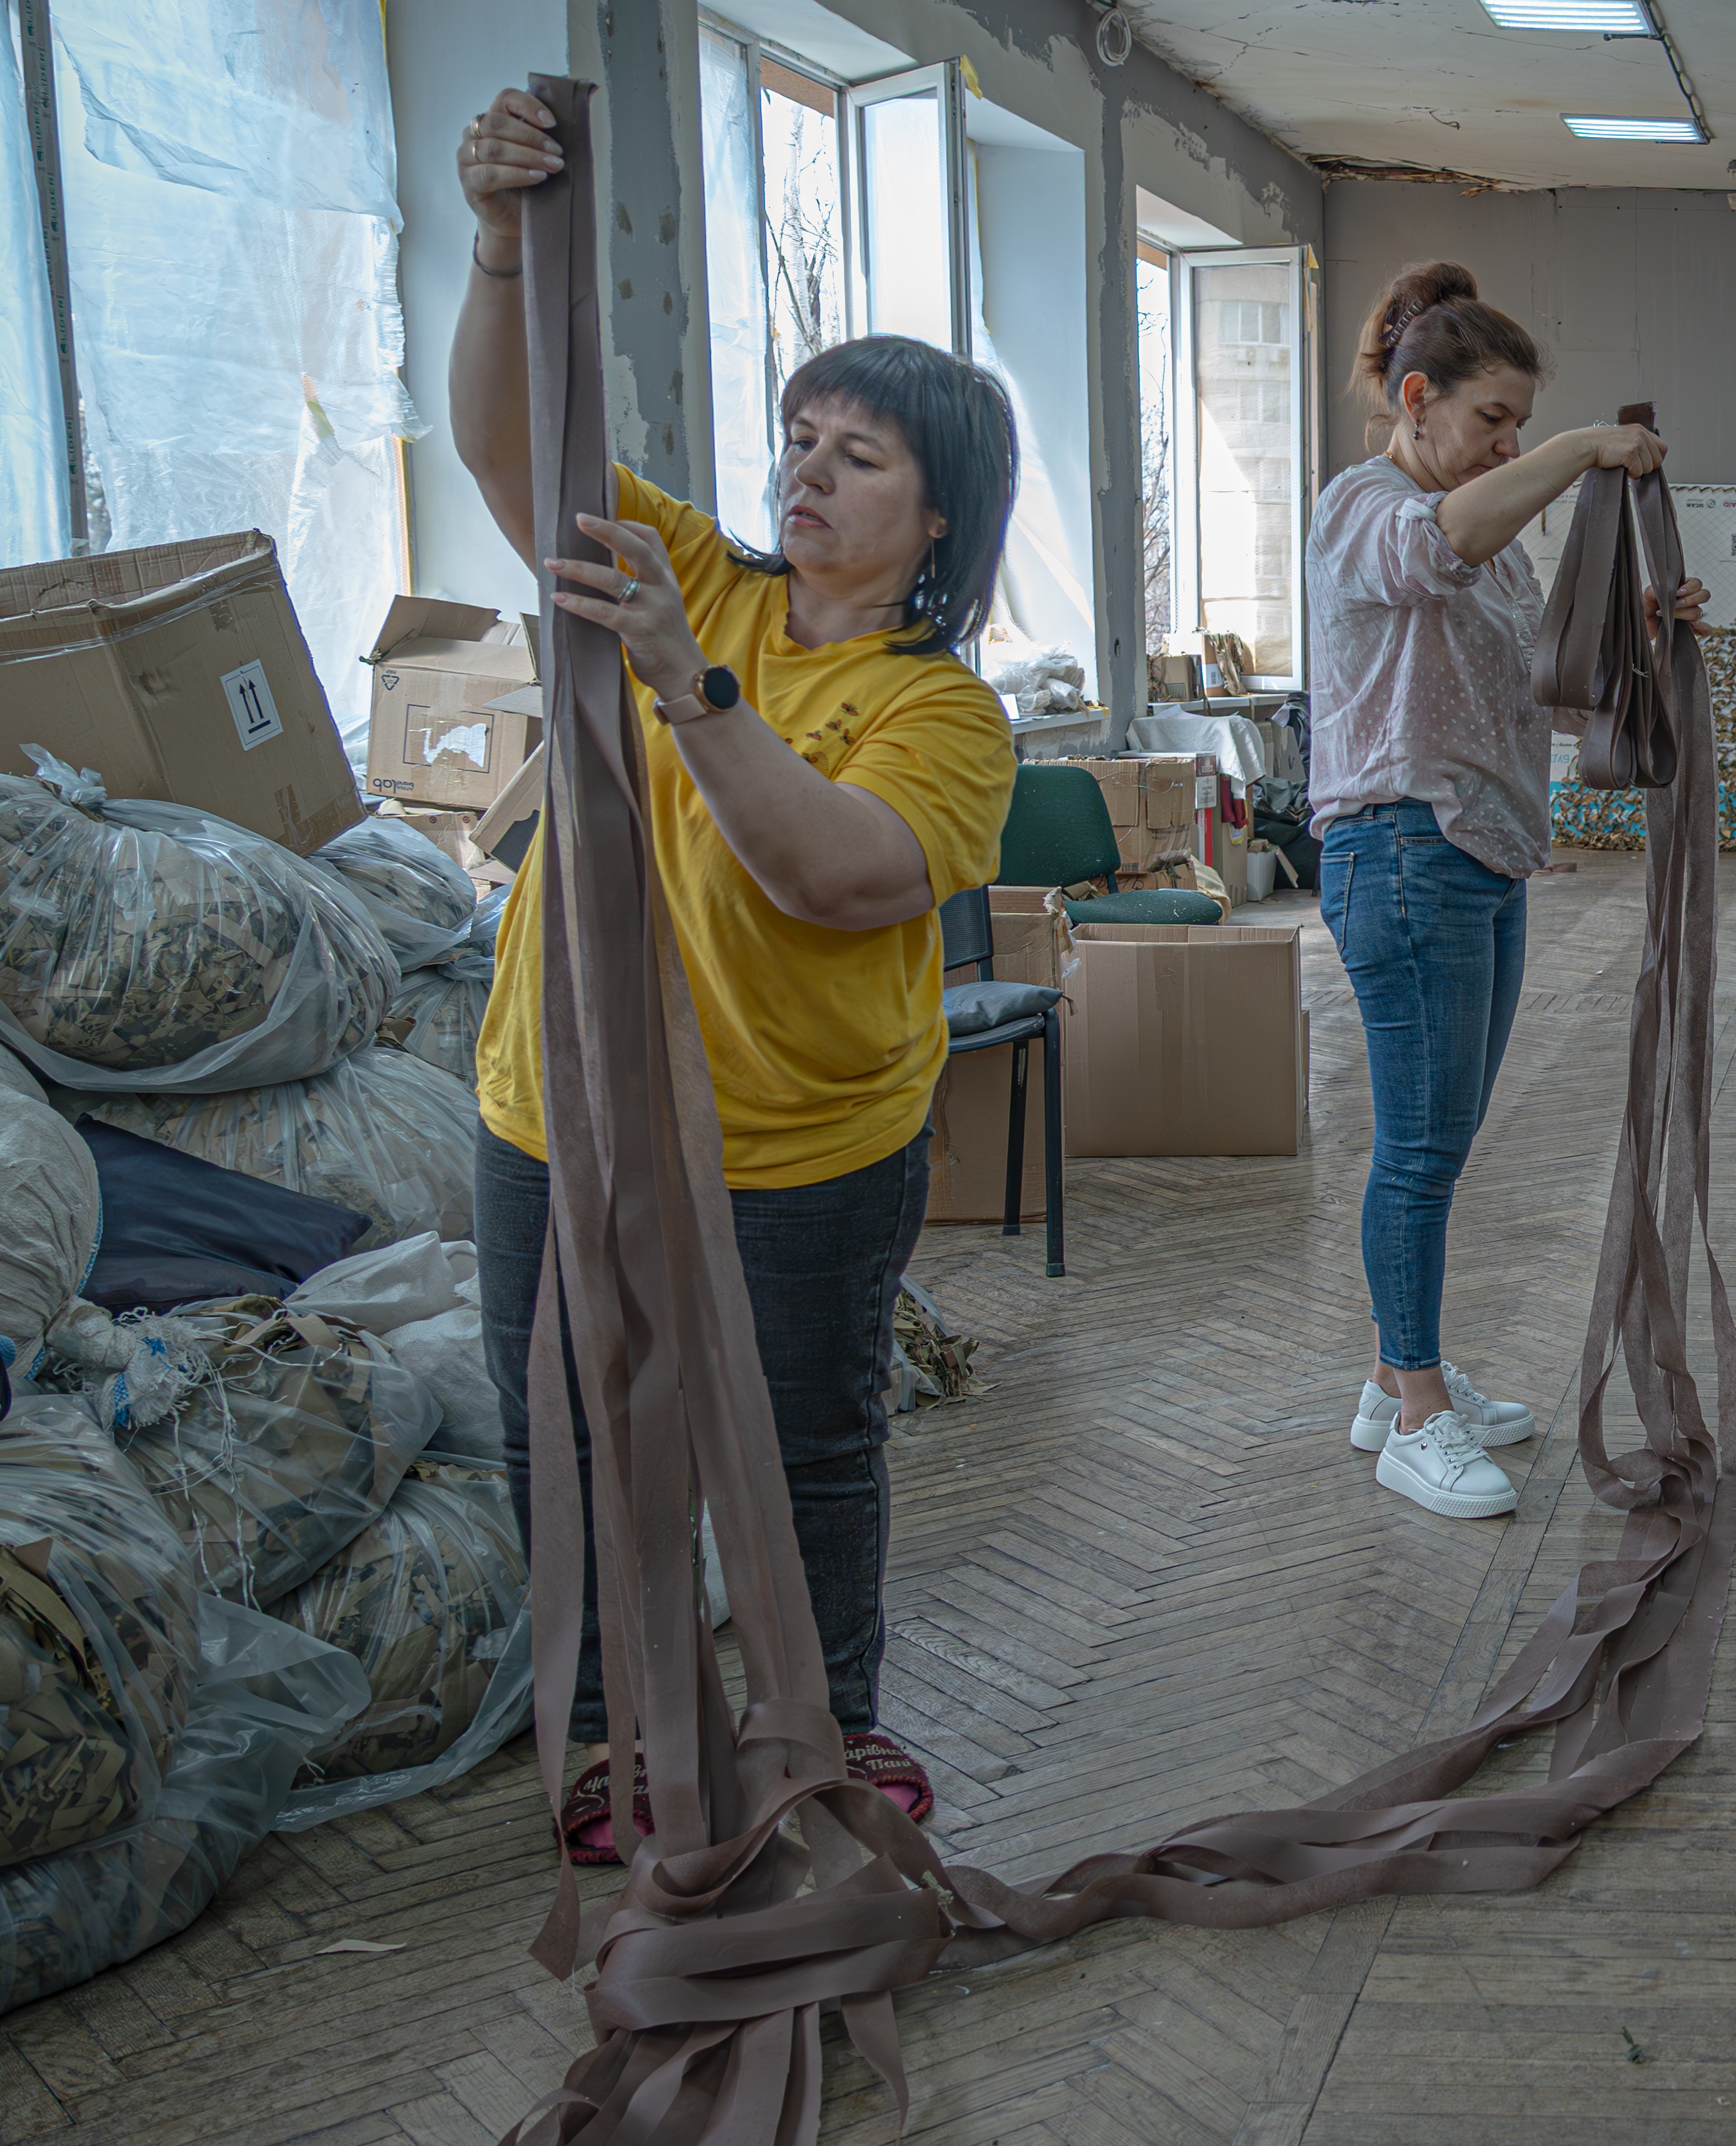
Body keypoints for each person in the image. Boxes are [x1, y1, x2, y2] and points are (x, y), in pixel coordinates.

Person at [452, 88, 1020, 1860]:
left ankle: (816, 1728)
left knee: (797, 1454)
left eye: (857, 454)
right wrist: (494, 249)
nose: (805, 471)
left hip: (794, 1147)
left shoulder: (945, 712)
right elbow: (504, 455)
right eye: (798, 435)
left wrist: (694, 689)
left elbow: (835, 873)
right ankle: (622, 1741)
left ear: (939, 517)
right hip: (567, 1110)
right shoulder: (699, 568)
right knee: (575, 1435)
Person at [1309, 260, 1705, 1522]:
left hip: (1481, 855)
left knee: (1443, 1140)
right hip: (1402, 848)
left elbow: (1541, 683)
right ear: (1414, 400)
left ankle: (1396, 1378)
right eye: (1493, 419)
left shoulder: (1483, 540)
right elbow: (1443, 544)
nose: (1510, 444)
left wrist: (1648, 629)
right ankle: (1413, 1411)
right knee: (1418, 1150)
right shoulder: (1362, 506)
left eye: (1523, 425)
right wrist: (1591, 448)